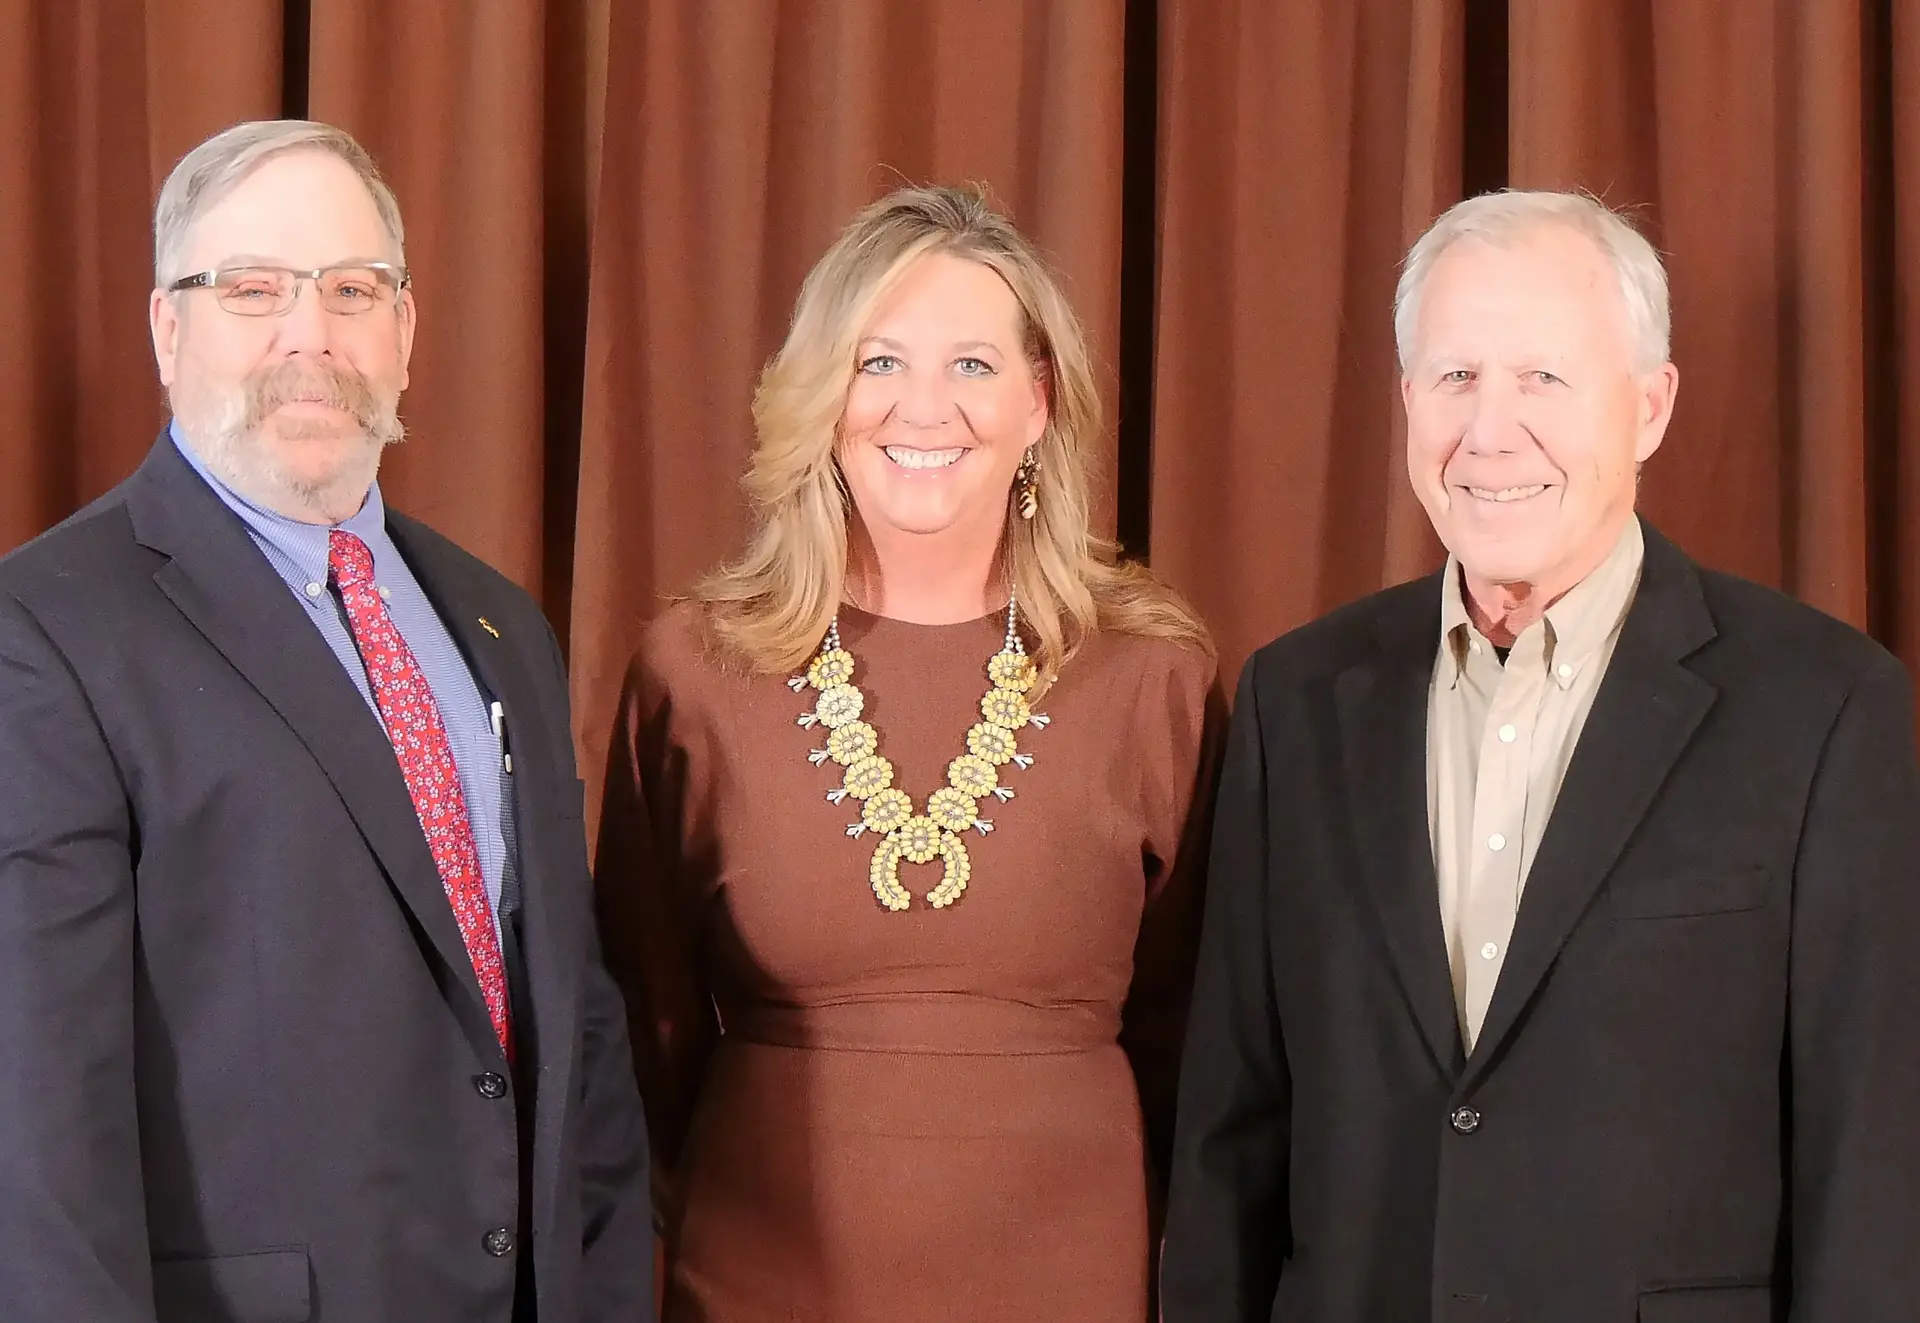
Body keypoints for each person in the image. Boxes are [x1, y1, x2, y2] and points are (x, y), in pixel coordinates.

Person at [1160, 189, 1920, 1322]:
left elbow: (1870, 1163)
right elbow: (1230, 1130)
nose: (1489, 431)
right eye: (1456, 379)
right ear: (1409, 401)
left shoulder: (1824, 707)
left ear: (1650, 407)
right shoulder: (1297, 699)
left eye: (1544, 379)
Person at [0, 120, 654, 1323]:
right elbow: (38, 1113)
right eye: (253, 289)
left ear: (405, 333)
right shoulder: (46, 629)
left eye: (353, 290)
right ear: (168, 329)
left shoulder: (499, 621)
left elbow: (578, 1026)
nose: (311, 335)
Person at [593, 183, 1224, 1322]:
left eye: (973, 367)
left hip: (1072, 1274)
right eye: (878, 363)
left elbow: (1200, 1032)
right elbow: (644, 1019)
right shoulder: (695, 669)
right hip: (757, 1276)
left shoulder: (1156, 677)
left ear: (1039, 402)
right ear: (819, 397)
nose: (922, 408)